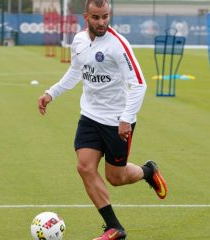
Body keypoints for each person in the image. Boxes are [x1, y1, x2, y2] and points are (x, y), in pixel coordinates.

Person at [37, 0, 167, 239]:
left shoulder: (118, 45)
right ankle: (114, 227)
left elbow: (139, 83)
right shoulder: (79, 40)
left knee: (116, 178)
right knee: (84, 166)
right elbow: (76, 71)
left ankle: (148, 171)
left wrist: (126, 119)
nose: (102, 22)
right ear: (86, 16)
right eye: (96, 17)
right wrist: (51, 92)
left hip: (117, 121)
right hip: (89, 116)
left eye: (106, 16)